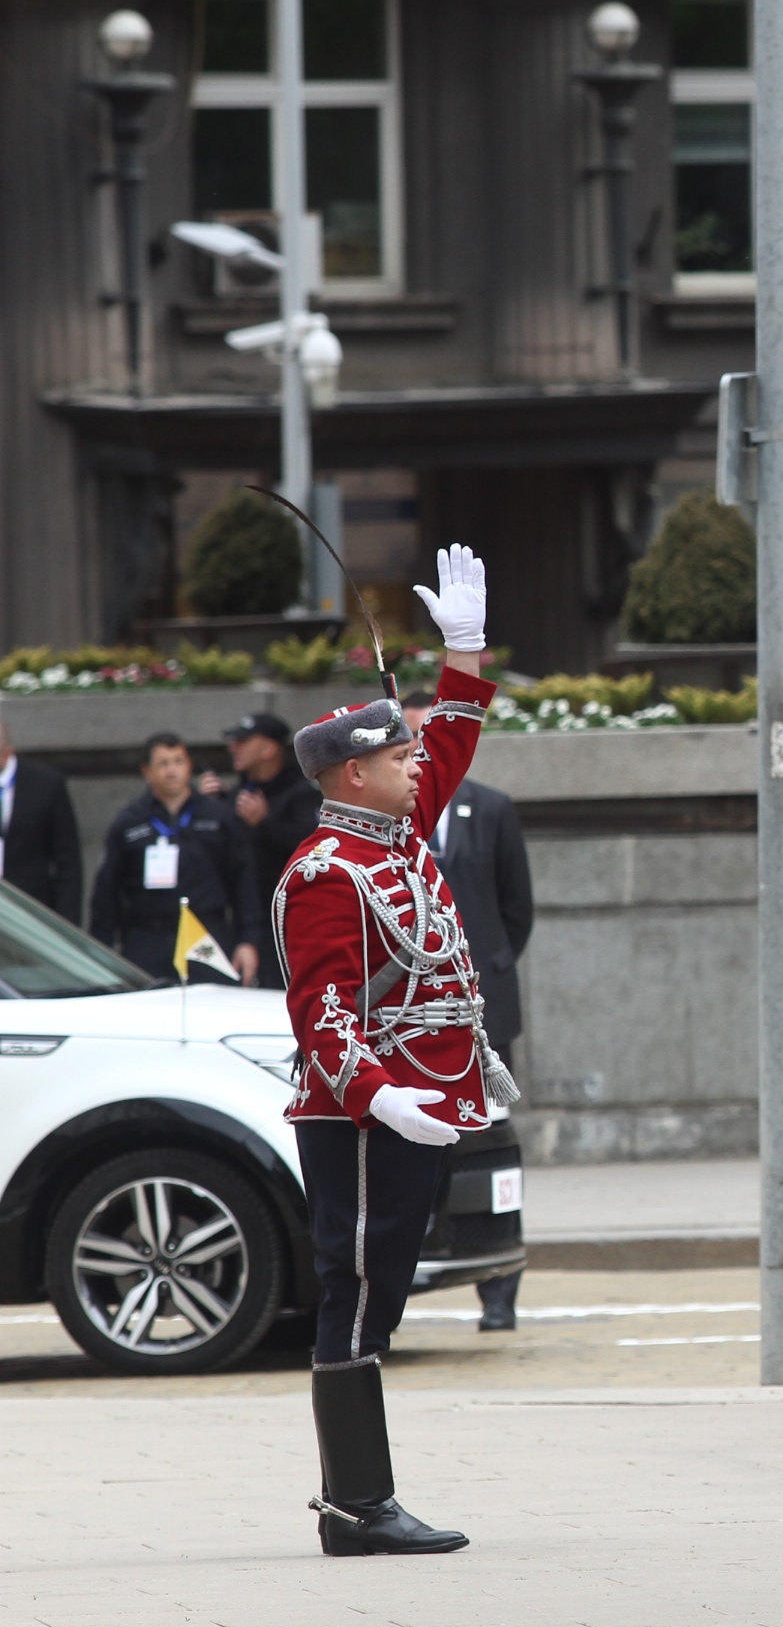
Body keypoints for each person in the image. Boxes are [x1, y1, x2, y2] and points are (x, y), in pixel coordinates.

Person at [278, 543, 499, 1556]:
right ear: (354, 774)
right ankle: (357, 1506)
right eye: (400, 759)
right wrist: (377, 1097)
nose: (420, 767)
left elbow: (449, 742)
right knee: (358, 1294)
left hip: (423, 1099)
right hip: (370, 1114)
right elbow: (321, 1011)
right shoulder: (327, 871)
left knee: (380, 1294)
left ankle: (358, 1501)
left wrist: (465, 651)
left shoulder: (395, 836)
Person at [399, 691, 534, 1334]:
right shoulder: (387, 820)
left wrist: (485, 974)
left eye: (432, 735)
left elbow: (516, 909)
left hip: (482, 1011)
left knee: (490, 1147)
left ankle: (500, 1288)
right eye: (410, 739)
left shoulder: (493, 808)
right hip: (409, 1016)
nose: (422, 749)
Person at [90, 732, 259, 983]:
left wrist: (249, 940)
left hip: (205, 934)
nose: (172, 771)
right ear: (147, 771)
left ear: (189, 766)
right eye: (163, 763)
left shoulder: (218, 816)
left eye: (178, 762)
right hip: (148, 938)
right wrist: (100, 950)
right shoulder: (130, 821)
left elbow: (244, 881)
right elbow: (107, 891)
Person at [200, 711, 321, 985]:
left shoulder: (302, 794)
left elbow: (314, 850)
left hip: (290, 924)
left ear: (268, 749)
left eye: (243, 742)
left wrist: (265, 823)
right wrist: (208, 808)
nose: (234, 748)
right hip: (238, 922)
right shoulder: (235, 794)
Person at [0, 716, 84, 923]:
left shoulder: (46, 785)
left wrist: (66, 924)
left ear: (8, 752)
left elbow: (68, 862)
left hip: (29, 912)